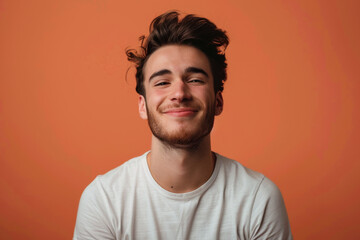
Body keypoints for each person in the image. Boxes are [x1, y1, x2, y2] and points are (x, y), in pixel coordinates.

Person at [74, 11, 292, 240]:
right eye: (162, 82)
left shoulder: (258, 199)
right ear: (142, 105)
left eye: (195, 80)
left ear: (218, 102)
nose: (179, 93)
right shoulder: (104, 200)